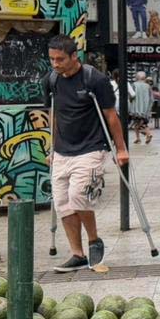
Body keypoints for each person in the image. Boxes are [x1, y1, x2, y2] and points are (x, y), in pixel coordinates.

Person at [44, 35, 130, 273]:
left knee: (79, 195)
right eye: (52, 59)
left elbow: (111, 116)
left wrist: (121, 148)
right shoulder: (51, 81)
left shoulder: (96, 80)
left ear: (74, 56)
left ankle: (94, 240)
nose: (55, 64)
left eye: (60, 59)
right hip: (62, 151)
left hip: (91, 148)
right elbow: (54, 115)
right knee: (62, 203)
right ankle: (77, 254)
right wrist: (51, 148)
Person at [130, 71, 154, 144]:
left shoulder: (133, 85)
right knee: (139, 123)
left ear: (137, 77)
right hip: (145, 109)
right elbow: (151, 99)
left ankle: (148, 134)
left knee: (138, 124)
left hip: (136, 109)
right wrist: (149, 108)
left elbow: (131, 96)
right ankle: (139, 138)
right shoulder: (148, 86)